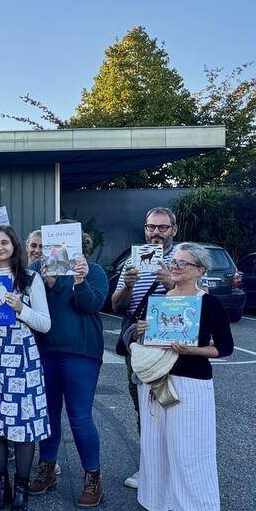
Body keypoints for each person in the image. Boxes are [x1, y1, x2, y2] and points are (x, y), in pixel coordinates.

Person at [130, 242, 232, 511]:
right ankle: (158, 499)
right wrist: (140, 330)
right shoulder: (159, 299)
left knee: (193, 449)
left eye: (183, 263)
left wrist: (193, 350)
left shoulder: (209, 303)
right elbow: (136, 334)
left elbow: (223, 348)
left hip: (192, 381)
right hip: (157, 378)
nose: (175, 266)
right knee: (156, 442)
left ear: (199, 270)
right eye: (174, 261)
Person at [0, 225, 51, 511]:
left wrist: (21, 308)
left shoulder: (30, 279)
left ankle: (21, 487)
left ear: (15, 246)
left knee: (23, 422)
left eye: (4, 242)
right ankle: (0, 485)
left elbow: (45, 323)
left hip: (21, 358)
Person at [28, 222, 109, 507]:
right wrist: (47, 286)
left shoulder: (94, 271)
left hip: (81, 353)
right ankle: (47, 468)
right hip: (46, 350)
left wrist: (79, 281)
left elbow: (91, 305)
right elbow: (34, 312)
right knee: (48, 415)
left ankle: (93, 477)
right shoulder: (39, 272)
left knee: (79, 416)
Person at [112, 207, 178, 490]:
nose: (156, 234)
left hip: (175, 346)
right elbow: (116, 305)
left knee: (175, 405)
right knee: (143, 406)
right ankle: (149, 466)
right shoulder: (132, 260)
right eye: (152, 227)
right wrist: (127, 286)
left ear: (174, 230)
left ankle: (176, 467)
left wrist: (172, 283)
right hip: (139, 345)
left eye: (163, 228)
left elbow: (201, 300)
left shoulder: (182, 259)